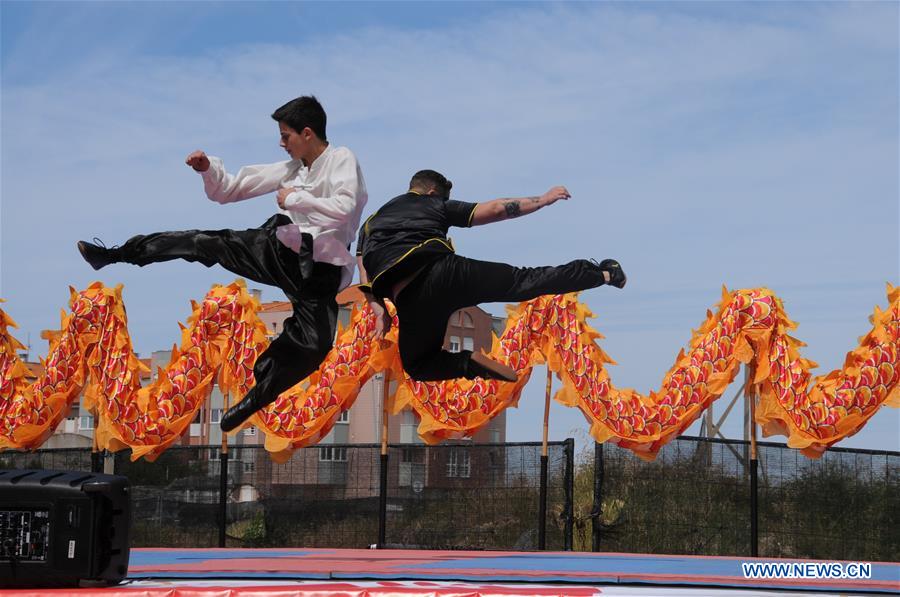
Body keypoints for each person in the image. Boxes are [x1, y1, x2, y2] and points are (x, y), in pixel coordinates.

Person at [77, 96, 367, 432]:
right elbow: (228, 190)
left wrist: (294, 198)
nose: (281, 143)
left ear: (306, 133)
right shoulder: (291, 169)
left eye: (286, 136)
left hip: (321, 271)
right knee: (205, 242)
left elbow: (346, 208)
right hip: (282, 250)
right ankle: (117, 254)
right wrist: (208, 170)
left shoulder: (341, 159)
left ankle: (256, 398)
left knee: (315, 346)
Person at [356, 169, 625, 382]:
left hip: (410, 300)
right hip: (447, 273)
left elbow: (363, 271)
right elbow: (495, 209)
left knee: (418, 366)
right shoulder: (433, 204)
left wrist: (379, 310)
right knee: (525, 281)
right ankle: (603, 273)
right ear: (432, 192)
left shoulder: (369, 225)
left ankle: (465, 363)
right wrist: (542, 200)